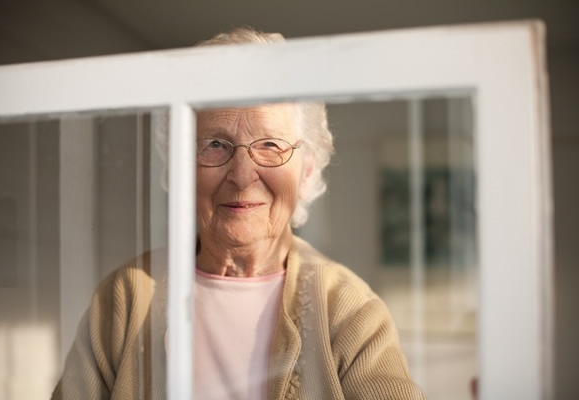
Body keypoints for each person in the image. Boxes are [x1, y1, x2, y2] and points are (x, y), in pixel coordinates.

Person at [52, 27, 425, 400]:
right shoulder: (126, 297)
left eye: (270, 145)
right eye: (215, 144)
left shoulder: (349, 311)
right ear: (177, 168)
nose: (243, 175)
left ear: (307, 171)